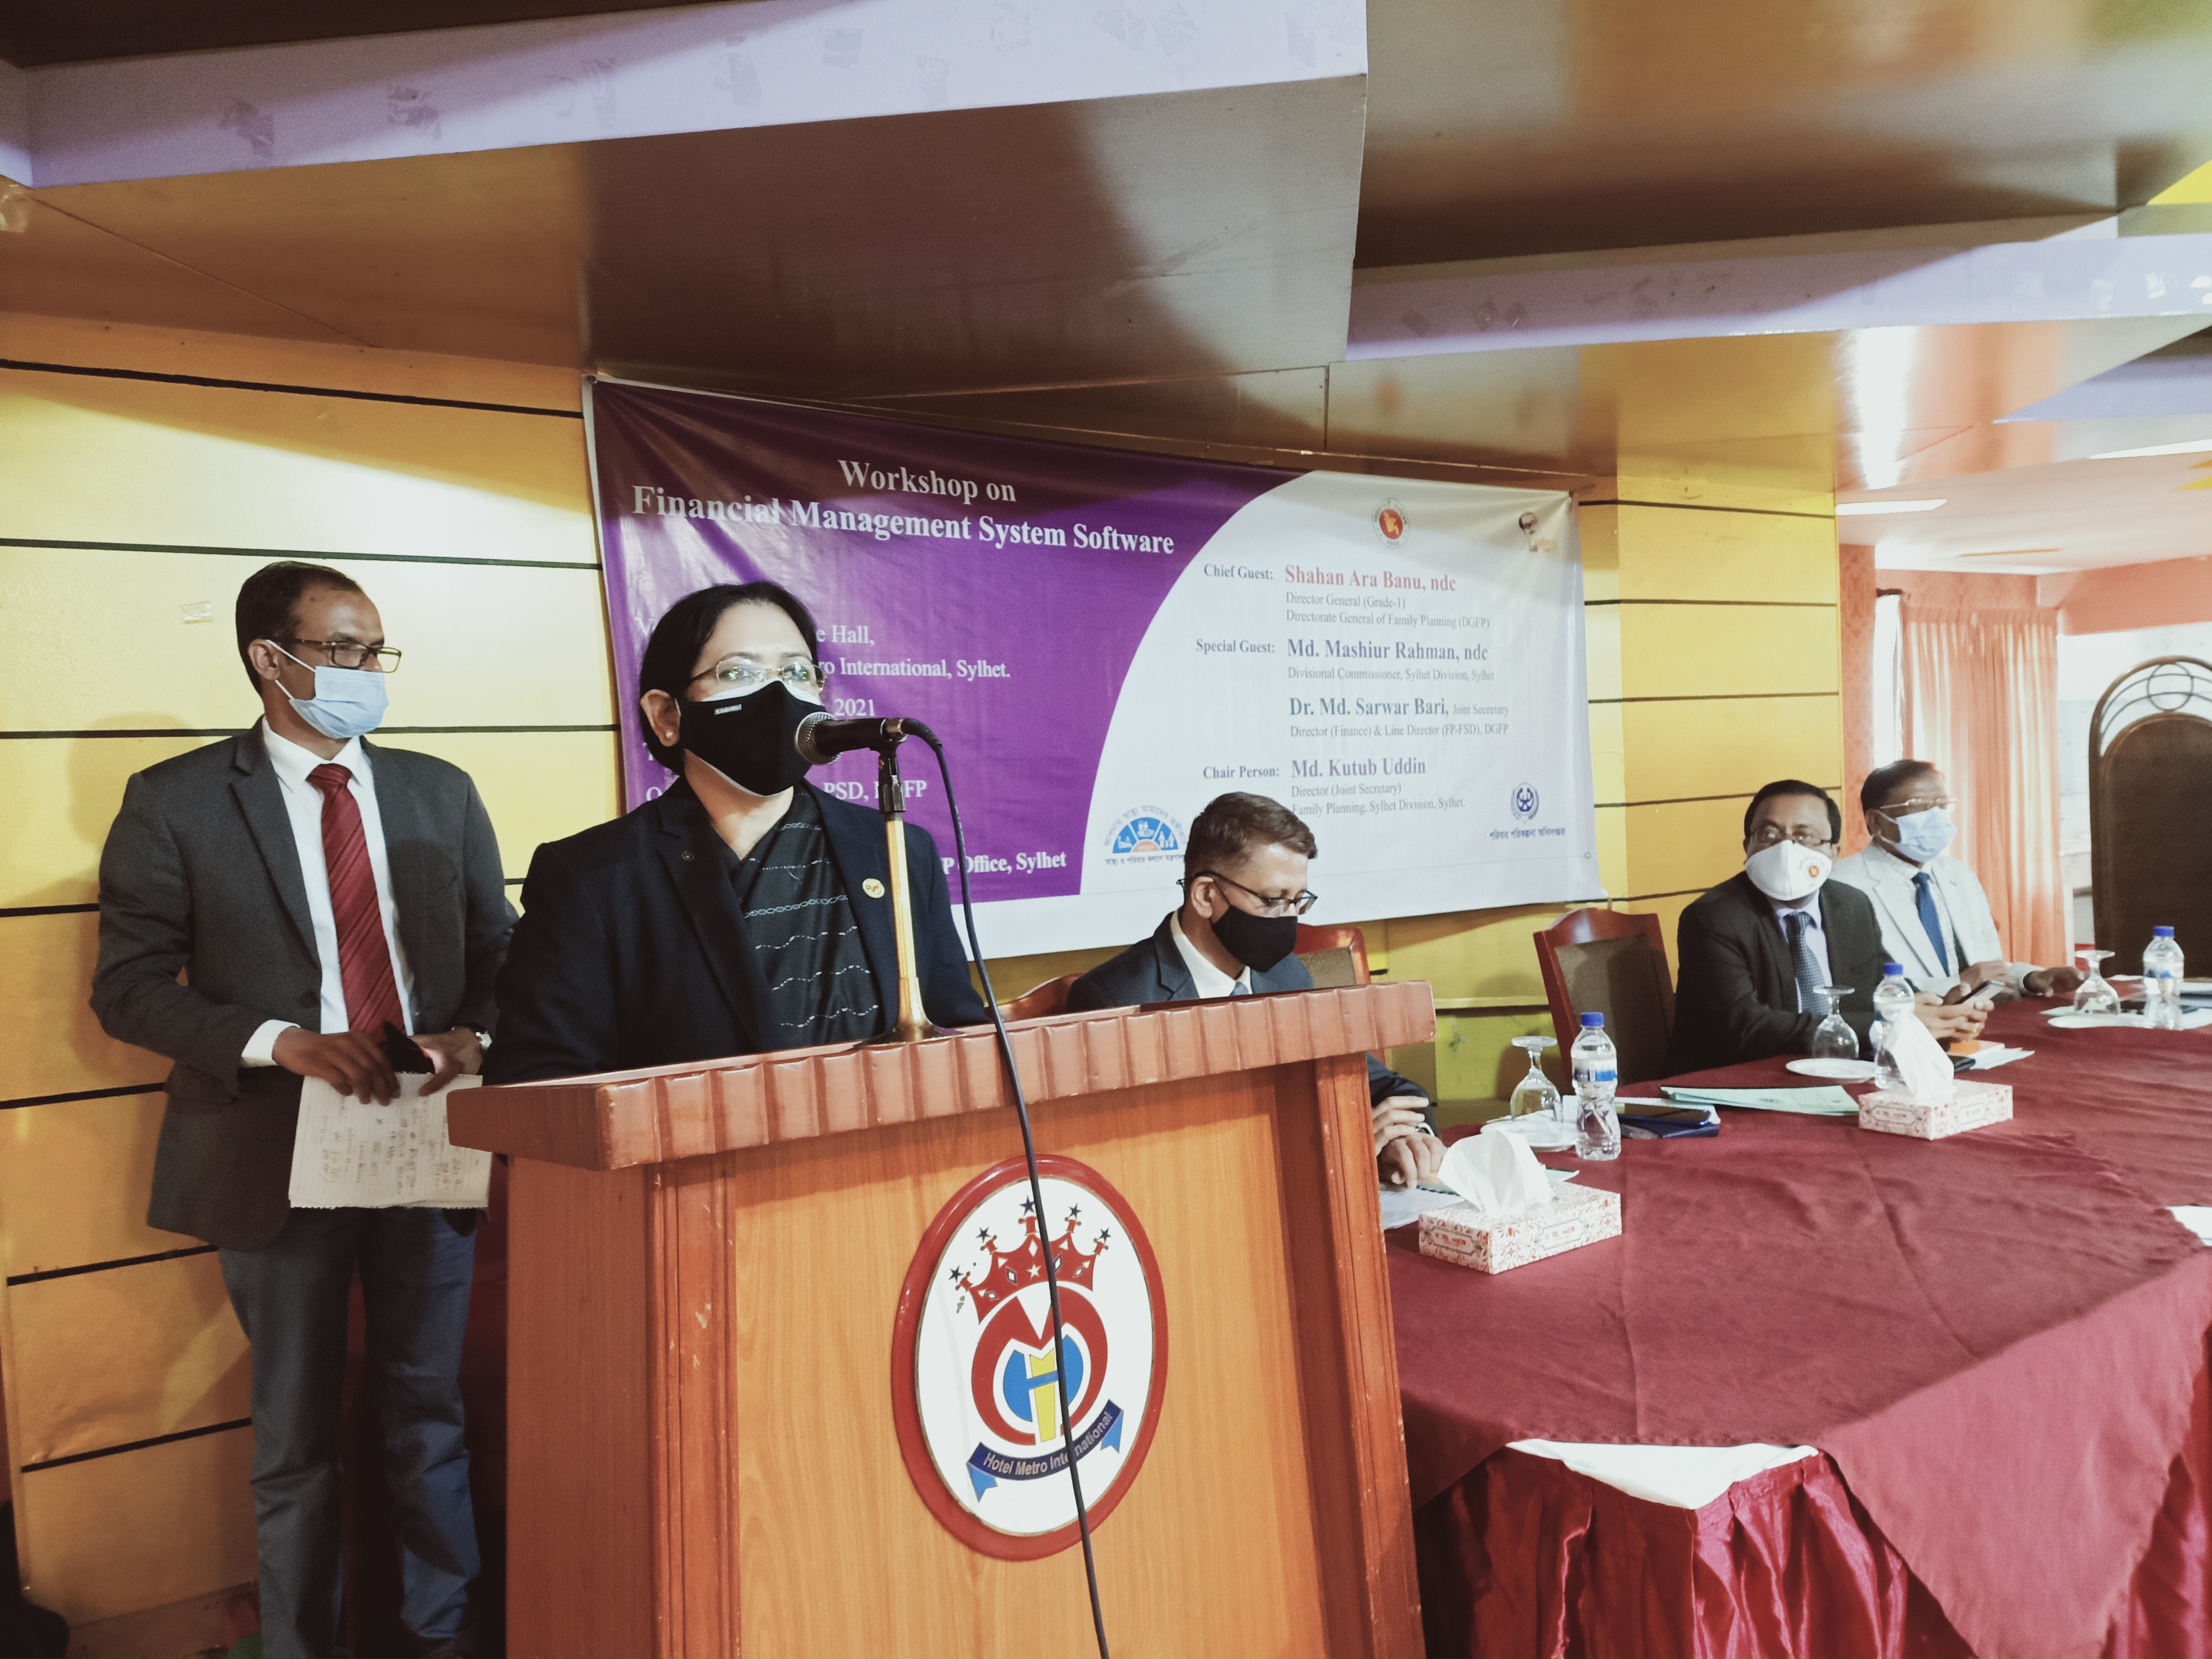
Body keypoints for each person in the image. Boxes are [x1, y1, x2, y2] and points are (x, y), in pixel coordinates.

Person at [90, 561, 513, 1659]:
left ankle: (441, 1639)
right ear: (268, 660)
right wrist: (282, 1041)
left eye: (377, 651)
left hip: (422, 1131)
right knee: (294, 1442)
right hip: (270, 1150)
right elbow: (127, 990)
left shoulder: (439, 792)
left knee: (428, 1419)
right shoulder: (177, 801)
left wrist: (475, 1035)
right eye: (342, 650)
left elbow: (504, 955)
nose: (368, 671)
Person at [485, 580, 984, 1084]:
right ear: (666, 715)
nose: (778, 693)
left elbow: (959, 1037)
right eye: (739, 672)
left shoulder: (896, 849)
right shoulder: (592, 877)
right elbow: (535, 1085)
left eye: (797, 672)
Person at [1065, 792, 1443, 1188]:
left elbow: (1373, 1080)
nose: (1290, 918)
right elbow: (1126, 1160)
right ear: (1206, 896)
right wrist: (1339, 1145)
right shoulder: (1114, 1000)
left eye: (1298, 901)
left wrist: (1408, 1137)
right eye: (1274, 900)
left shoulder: (1286, 975)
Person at [1665, 779, 1989, 1073]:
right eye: (1769, 835)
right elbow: (1749, 1028)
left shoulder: (1852, 906)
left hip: (1841, 1074)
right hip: (1740, 1084)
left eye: (1804, 836)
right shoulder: (1713, 918)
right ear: (1747, 846)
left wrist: (1940, 1011)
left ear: (1833, 853)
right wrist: (1886, 1026)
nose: (1785, 849)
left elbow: (1882, 986)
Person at [1830, 760, 2085, 1000]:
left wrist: (2028, 978)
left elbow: (1984, 969)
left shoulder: (1959, 875)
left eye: (1942, 805)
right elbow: (1854, 989)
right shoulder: (1841, 887)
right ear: (1876, 821)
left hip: (1979, 1019)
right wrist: (1956, 985)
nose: (1936, 817)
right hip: (1910, 1025)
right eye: (1919, 806)